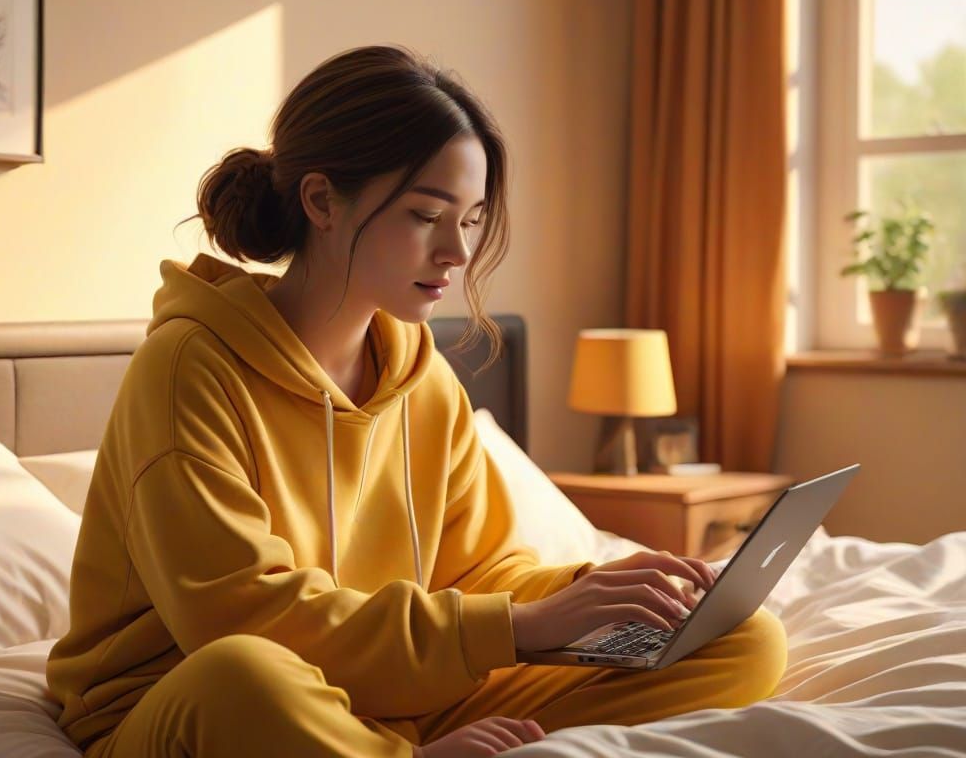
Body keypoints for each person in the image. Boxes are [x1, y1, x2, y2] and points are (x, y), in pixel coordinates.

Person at [45, 44, 787, 758]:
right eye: (427, 216)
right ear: (321, 201)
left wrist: (596, 595)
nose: (458, 255)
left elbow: (481, 575)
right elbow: (239, 616)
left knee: (741, 641)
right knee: (244, 676)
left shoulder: (422, 380)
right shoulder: (187, 368)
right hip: (185, 699)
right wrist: (518, 628)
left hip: (399, 695)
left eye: (467, 220)